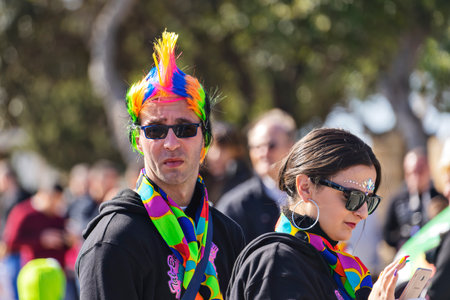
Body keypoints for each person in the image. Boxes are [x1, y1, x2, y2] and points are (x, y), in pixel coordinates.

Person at [75, 31, 245, 300]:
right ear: (137, 140)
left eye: (185, 128)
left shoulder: (228, 234)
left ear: (206, 138)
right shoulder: (113, 241)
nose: (171, 143)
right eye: (155, 130)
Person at [227, 128, 409, 300]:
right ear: (305, 188)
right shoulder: (278, 262)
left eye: (368, 201)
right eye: (353, 197)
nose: (362, 213)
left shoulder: (336, 266)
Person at [216, 109, 296, 242]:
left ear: (291, 146)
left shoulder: (310, 198)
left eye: (271, 145)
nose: (263, 153)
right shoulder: (235, 207)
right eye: (256, 147)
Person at [383, 147, 444, 250]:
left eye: (420, 170)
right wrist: (404, 237)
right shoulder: (396, 201)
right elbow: (387, 234)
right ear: (406, 175)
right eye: (412, 172)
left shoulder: (440, 197)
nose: (416, 176)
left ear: (429, 170)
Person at [201, 120, 252, 204]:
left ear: (236, 151)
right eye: (212, 147)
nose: (217, 155)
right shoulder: (195, 178)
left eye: (224, 149)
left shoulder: (244, 181)